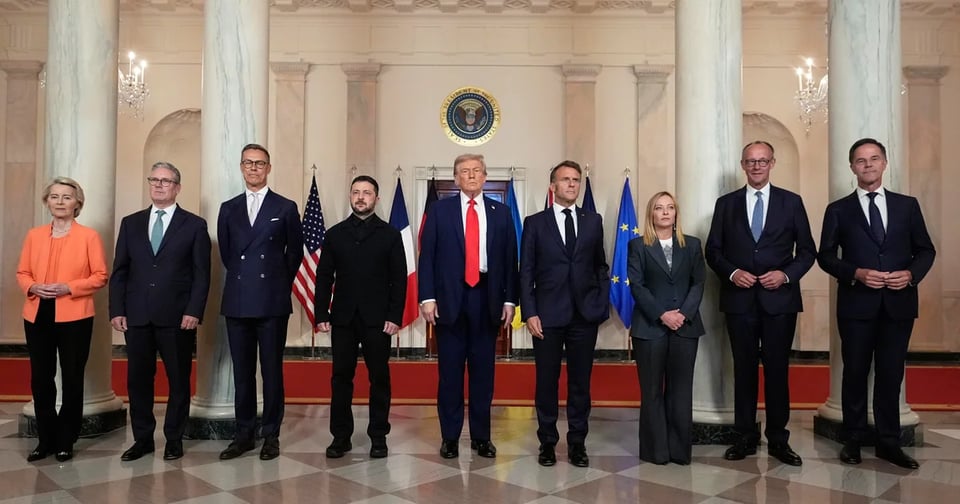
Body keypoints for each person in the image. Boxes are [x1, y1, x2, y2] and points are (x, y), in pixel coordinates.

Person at [817, 138, 935, 470]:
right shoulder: (838, 209)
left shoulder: (907, 206)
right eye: (860, 160)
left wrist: (910, 275)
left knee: (890, 373)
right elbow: (825, 257)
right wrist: (855, 272)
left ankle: (889, 443)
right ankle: (852, 439)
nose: (867, 165)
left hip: (898, 304)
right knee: (854, 372)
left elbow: (926, 250)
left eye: (873, 159)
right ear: (852, 167)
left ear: (885, 163)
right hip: (856, 304)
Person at [705, 140, 816, 466]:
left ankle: (779, 440)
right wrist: (733, 272)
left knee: (778, 371)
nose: (756, 166)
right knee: (743, 371)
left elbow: (808, 251)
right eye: (751, 161)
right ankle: (744, 437)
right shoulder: (726, 204)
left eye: (762, 161)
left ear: (772, 163)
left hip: (779, 301)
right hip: (739, 300)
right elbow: (713, 251)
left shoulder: (791, 202)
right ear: (743, 165)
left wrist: (785, 275)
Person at [418, 153, 519, 459]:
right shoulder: (439, 211)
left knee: (483, 375)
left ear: (485, 176)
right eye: (465, 171)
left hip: (486, 299)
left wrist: (509, 300)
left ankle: (481, 437)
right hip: (449, 300)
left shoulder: (501, 213)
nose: (471, 176)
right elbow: (428, 257)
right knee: (449, 375)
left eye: (477, 171)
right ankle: (449, 437)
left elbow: (509, 260)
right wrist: (427, 298)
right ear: (456, 177)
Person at [109, 162, 211, 462]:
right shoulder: (131, 223)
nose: (159, 185)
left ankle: (174, 438)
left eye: (166, 181)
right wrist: (117, 309)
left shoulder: (194, 225)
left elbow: (201, 274)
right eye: (154, 179)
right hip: (137, 315)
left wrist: (194, 310)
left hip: (177, 317)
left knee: (178, 380)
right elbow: (120, 271)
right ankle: (142, 439)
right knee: (138, 380)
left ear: (177, 187)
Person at [519, 160, 609, 468]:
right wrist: (529, 312)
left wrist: (599, 303)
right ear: (552, 186)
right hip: (546, 316)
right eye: (565, 180)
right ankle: (547, 442)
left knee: (580, 383)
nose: (572, 184)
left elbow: (601, 266)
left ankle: (577, 443)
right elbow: (526, 271)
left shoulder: (593, 220)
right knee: (547, 382)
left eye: (575, 180)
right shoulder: (535, 222)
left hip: (584, 316)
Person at [217, 143, 304, 461]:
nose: (254, 168)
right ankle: (244, 434)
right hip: (238, 300)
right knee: (242, 373)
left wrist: (276, 282)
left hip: (271, 301)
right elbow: (228, 255)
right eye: (248, 163)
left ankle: (271, 435)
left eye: (260, 163)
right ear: (241, 167)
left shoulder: (285, 207)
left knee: (271, 371)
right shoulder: (228, 207)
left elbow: (294, 253)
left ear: (268, 168)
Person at [314, 175, 407, 459]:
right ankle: (340, 436)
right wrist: (321, 313)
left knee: (379, 378)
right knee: (341, 378)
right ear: (350, 196)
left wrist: (394, 315)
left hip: (378, 319)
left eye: (367, 192)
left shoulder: (390, 234)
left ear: (376, 198)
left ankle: (378, 436)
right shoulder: (335, 234)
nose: (361, 197)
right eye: (356, 192)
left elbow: (399, 279)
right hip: (342, 318)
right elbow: (323, 276)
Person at [16, 177, 108, 463]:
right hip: (37, 313)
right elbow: (22, 273)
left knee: (71, 378)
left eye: (66, 197)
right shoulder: (34, 235)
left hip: (75, 315)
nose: (59, 202)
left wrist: (70, 287)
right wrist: (31, 287)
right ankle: (46, 439)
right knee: (41, 379)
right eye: (54, 197)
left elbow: (100, 275)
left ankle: (66, 440)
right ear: (47, 202)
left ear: (77, 203)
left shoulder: (89, 236)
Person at [627, 191, 705, 465]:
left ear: (676, 213)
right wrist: (662, 314)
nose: (665, 212)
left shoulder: (692, 245)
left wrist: (683, 314)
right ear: (651, 214)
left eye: (670, 207)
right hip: (650, 327)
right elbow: (637, 285)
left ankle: (679, 452)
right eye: (659, 208)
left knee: (681, 391)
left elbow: (698, 283)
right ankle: (656, 452)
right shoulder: (638, 246)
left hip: (686, 327)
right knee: (651, 391)